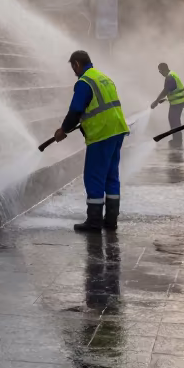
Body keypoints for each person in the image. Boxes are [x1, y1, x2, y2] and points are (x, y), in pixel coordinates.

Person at [52, 50, 129, 232]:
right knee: (111, 176)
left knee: (94, 176)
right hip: (117, 130)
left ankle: (94, 222)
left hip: (101, 133)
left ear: (77, 64)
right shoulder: (103, 77)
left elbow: (76, 110)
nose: (73, 71)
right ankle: (111, 221)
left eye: (73, 67)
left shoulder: (84, 82)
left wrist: (63, 130)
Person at [149, 63, 184, 145]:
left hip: (178, 102)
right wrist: (165, 99)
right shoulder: (172, 74)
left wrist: (156, 101)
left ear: (163, 70)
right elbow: (172, 89)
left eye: (160, 71)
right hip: (179, 101)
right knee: (174, 119)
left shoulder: (169, 77)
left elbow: (165, 90)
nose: (160, 73)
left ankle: (177, 140)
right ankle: (177, 139)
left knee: (174, 120)